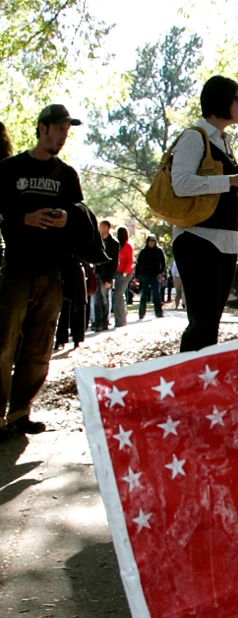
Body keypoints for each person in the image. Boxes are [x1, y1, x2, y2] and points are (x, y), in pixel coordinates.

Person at [0, 104, 85, 436]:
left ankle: (20, 412)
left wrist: (67, 219)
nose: (64, 136)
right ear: (43, 128)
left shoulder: (67, 175)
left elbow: (80, 215)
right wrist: (24, 219)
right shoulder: (9, 169)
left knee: (39, 348)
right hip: (17, 270)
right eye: (60, 128)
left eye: (67, 130)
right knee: (4, 345)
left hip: (53, 274)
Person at [170, 76, 238, 351]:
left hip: (225, 241)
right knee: (202, 322)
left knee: (211, 323)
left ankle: (202, 384)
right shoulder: (194, 137)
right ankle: (186, 385)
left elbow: (219, 193)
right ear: (222, 100)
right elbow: (181, 184)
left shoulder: (223, 142)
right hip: (197, 239)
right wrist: (232, 180)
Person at [91, 219, 119, 331]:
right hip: (97, 273)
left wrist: (110, 278)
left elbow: (114, 262)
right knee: (97, 299)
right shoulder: (97, 241)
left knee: (105, 299)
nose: (100, 229)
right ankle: (97, 323)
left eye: (102, 227)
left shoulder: (113, 243)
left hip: (106, 275)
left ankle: (105, 322)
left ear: (107, 228)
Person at [135, 235, 166, 319]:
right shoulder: (143, 252)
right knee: (144, 294)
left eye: (153, 241)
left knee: (156, 294)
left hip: (155, 276)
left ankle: (159, 312)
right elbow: (138, 264)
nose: (151, 243)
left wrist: (161, 273)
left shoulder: (159, 251)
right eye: (150, 241)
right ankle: (141, 313)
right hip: (144, 275)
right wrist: (136, 276)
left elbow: (163, 263)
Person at [113, 226, 133, 328]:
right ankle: (119, 319)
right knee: (117, 296)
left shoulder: (128, 246)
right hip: (118, 273)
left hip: (126, 273)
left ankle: (122, 320)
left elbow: (130, 261)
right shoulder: (118, 246)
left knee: (118, 295)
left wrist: (124, 273)